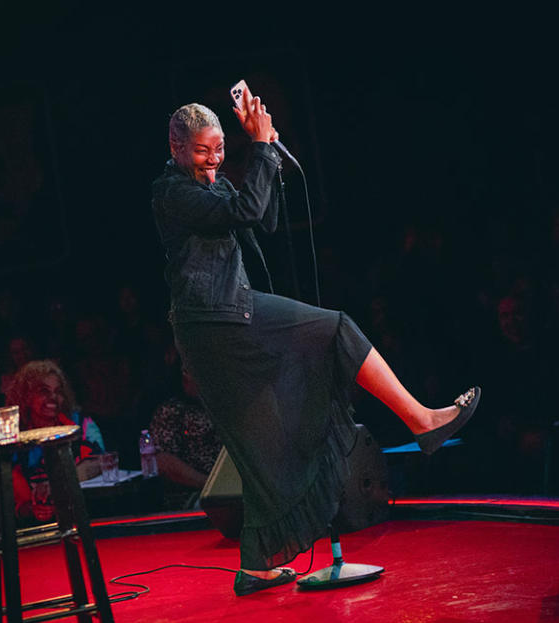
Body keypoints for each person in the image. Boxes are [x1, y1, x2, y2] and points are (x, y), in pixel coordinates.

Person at [151, 96, 479, 595]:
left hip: (227, 315)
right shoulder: (170, 192)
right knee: (336, 328)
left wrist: (268, 154)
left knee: (261, 439)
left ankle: (257, 566)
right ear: (175, 147)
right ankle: (422, 420)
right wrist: (259, 146)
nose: (214, 160)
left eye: (220, 149)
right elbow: (248, 208)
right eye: (202, 151)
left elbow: (262, 217)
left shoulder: (205, 187)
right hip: (217, 321)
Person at [6, 360, 105, 523]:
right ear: (26, 395)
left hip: (85, 514)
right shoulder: (14, 436)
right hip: (34, 523)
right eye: (44, 391)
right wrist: (33, 508)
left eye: (58, 391)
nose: (53, 397)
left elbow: (100, 463)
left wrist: (57, 486)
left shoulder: (81, 423)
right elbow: (15, 494)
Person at [149, 368, 222, 508]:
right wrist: (210, 484)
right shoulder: (172, 411)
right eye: (185, 371)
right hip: (193, 497)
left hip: (233, 491)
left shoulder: (224, 408)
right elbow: (163, 461)